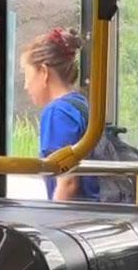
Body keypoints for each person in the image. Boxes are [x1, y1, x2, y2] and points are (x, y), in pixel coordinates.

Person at [20, 27, 100, 202]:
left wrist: (51, 223)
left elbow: (68, 182)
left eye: (27, 75)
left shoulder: (57, 113)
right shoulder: (80, 104)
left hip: (76, 219)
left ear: (43, 72)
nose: (26, 85)